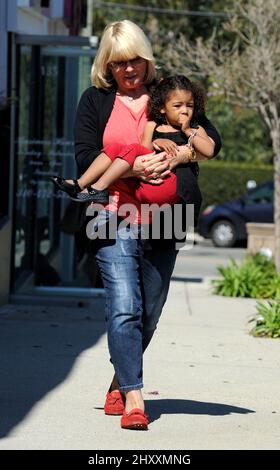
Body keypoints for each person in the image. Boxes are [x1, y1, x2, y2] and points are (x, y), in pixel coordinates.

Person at [68, 20, 221, 431]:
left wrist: (179, 156)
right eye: (119, 62)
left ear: (147, 59)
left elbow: (211, 140)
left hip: (164, 217)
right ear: (107, 64)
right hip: (111, 214)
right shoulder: (95, 100)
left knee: (149, 312)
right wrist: (133, 167)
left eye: (135, 59)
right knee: (124, 307)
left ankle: (120, 380)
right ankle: (135, 397)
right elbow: (85, 156)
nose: (128, 69)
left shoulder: (168, 94)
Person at [50, 75, 214, 208]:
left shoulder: (195, 128)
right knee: (116, 148)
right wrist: (159, 142)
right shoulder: (152, 125)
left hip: (170, 185)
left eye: (190, 106)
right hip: (148, 183)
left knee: (131, 149)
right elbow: (144, 152)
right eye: (177, 106)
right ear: (163, 107)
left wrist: (187, 132)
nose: (184, 111)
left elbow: (209, 151)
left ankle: (99, 187)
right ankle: (80, 184)